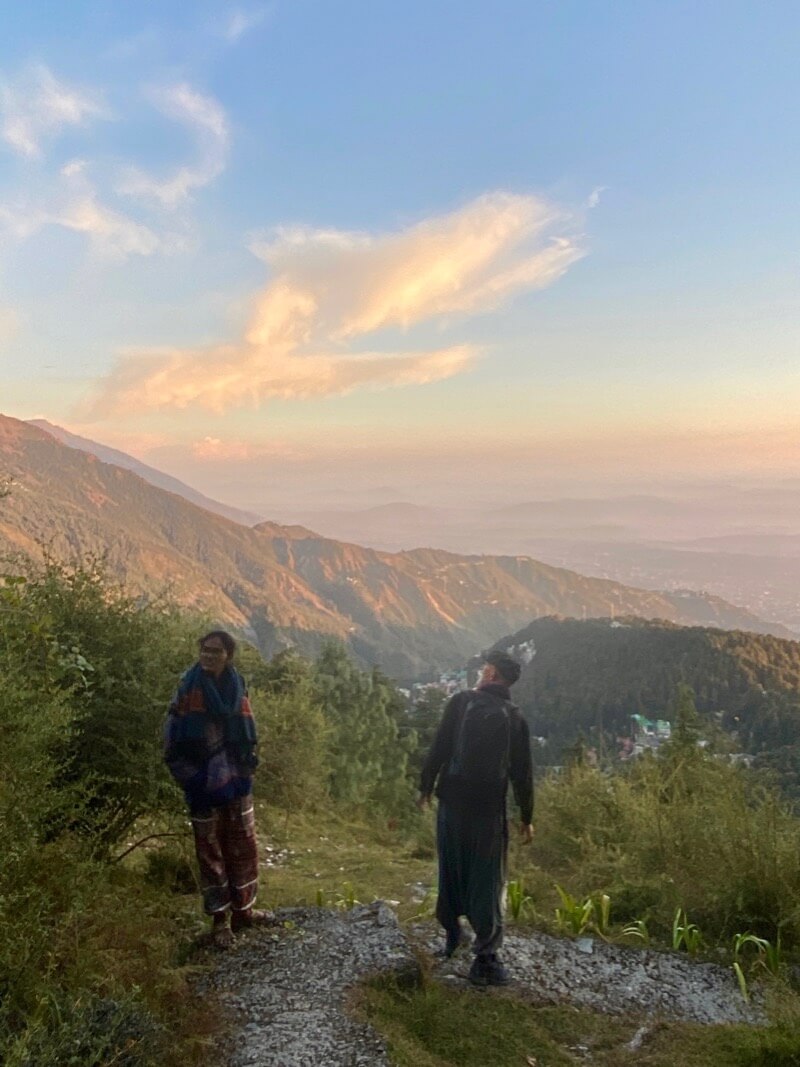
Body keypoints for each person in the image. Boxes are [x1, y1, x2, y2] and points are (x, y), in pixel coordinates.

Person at [418, 650, 533, 986]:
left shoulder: (461, 702)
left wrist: (426, 786)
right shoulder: (514, 718)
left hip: (452, 802)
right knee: (487, 876)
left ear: (494, 675)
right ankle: (486, 959)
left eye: (486, 669)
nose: (482, 672)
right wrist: (527, 816)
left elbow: (439, 747)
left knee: (452, 867)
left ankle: (453, 936)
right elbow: (522, 774)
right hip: (488, 811)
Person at [164, 630, 271, 946]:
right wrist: (189, 776)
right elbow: (171, 735)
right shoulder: (188, 687)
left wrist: (248, 763)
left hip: (236, 781)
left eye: (215, 651)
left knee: (243, 846)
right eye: (204, 650)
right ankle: (220, 920)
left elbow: (247, 728)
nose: (208, 656)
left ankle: (245, 911)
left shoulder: (237, 686)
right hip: (202, 784)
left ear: (228, 655)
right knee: (210, 853)